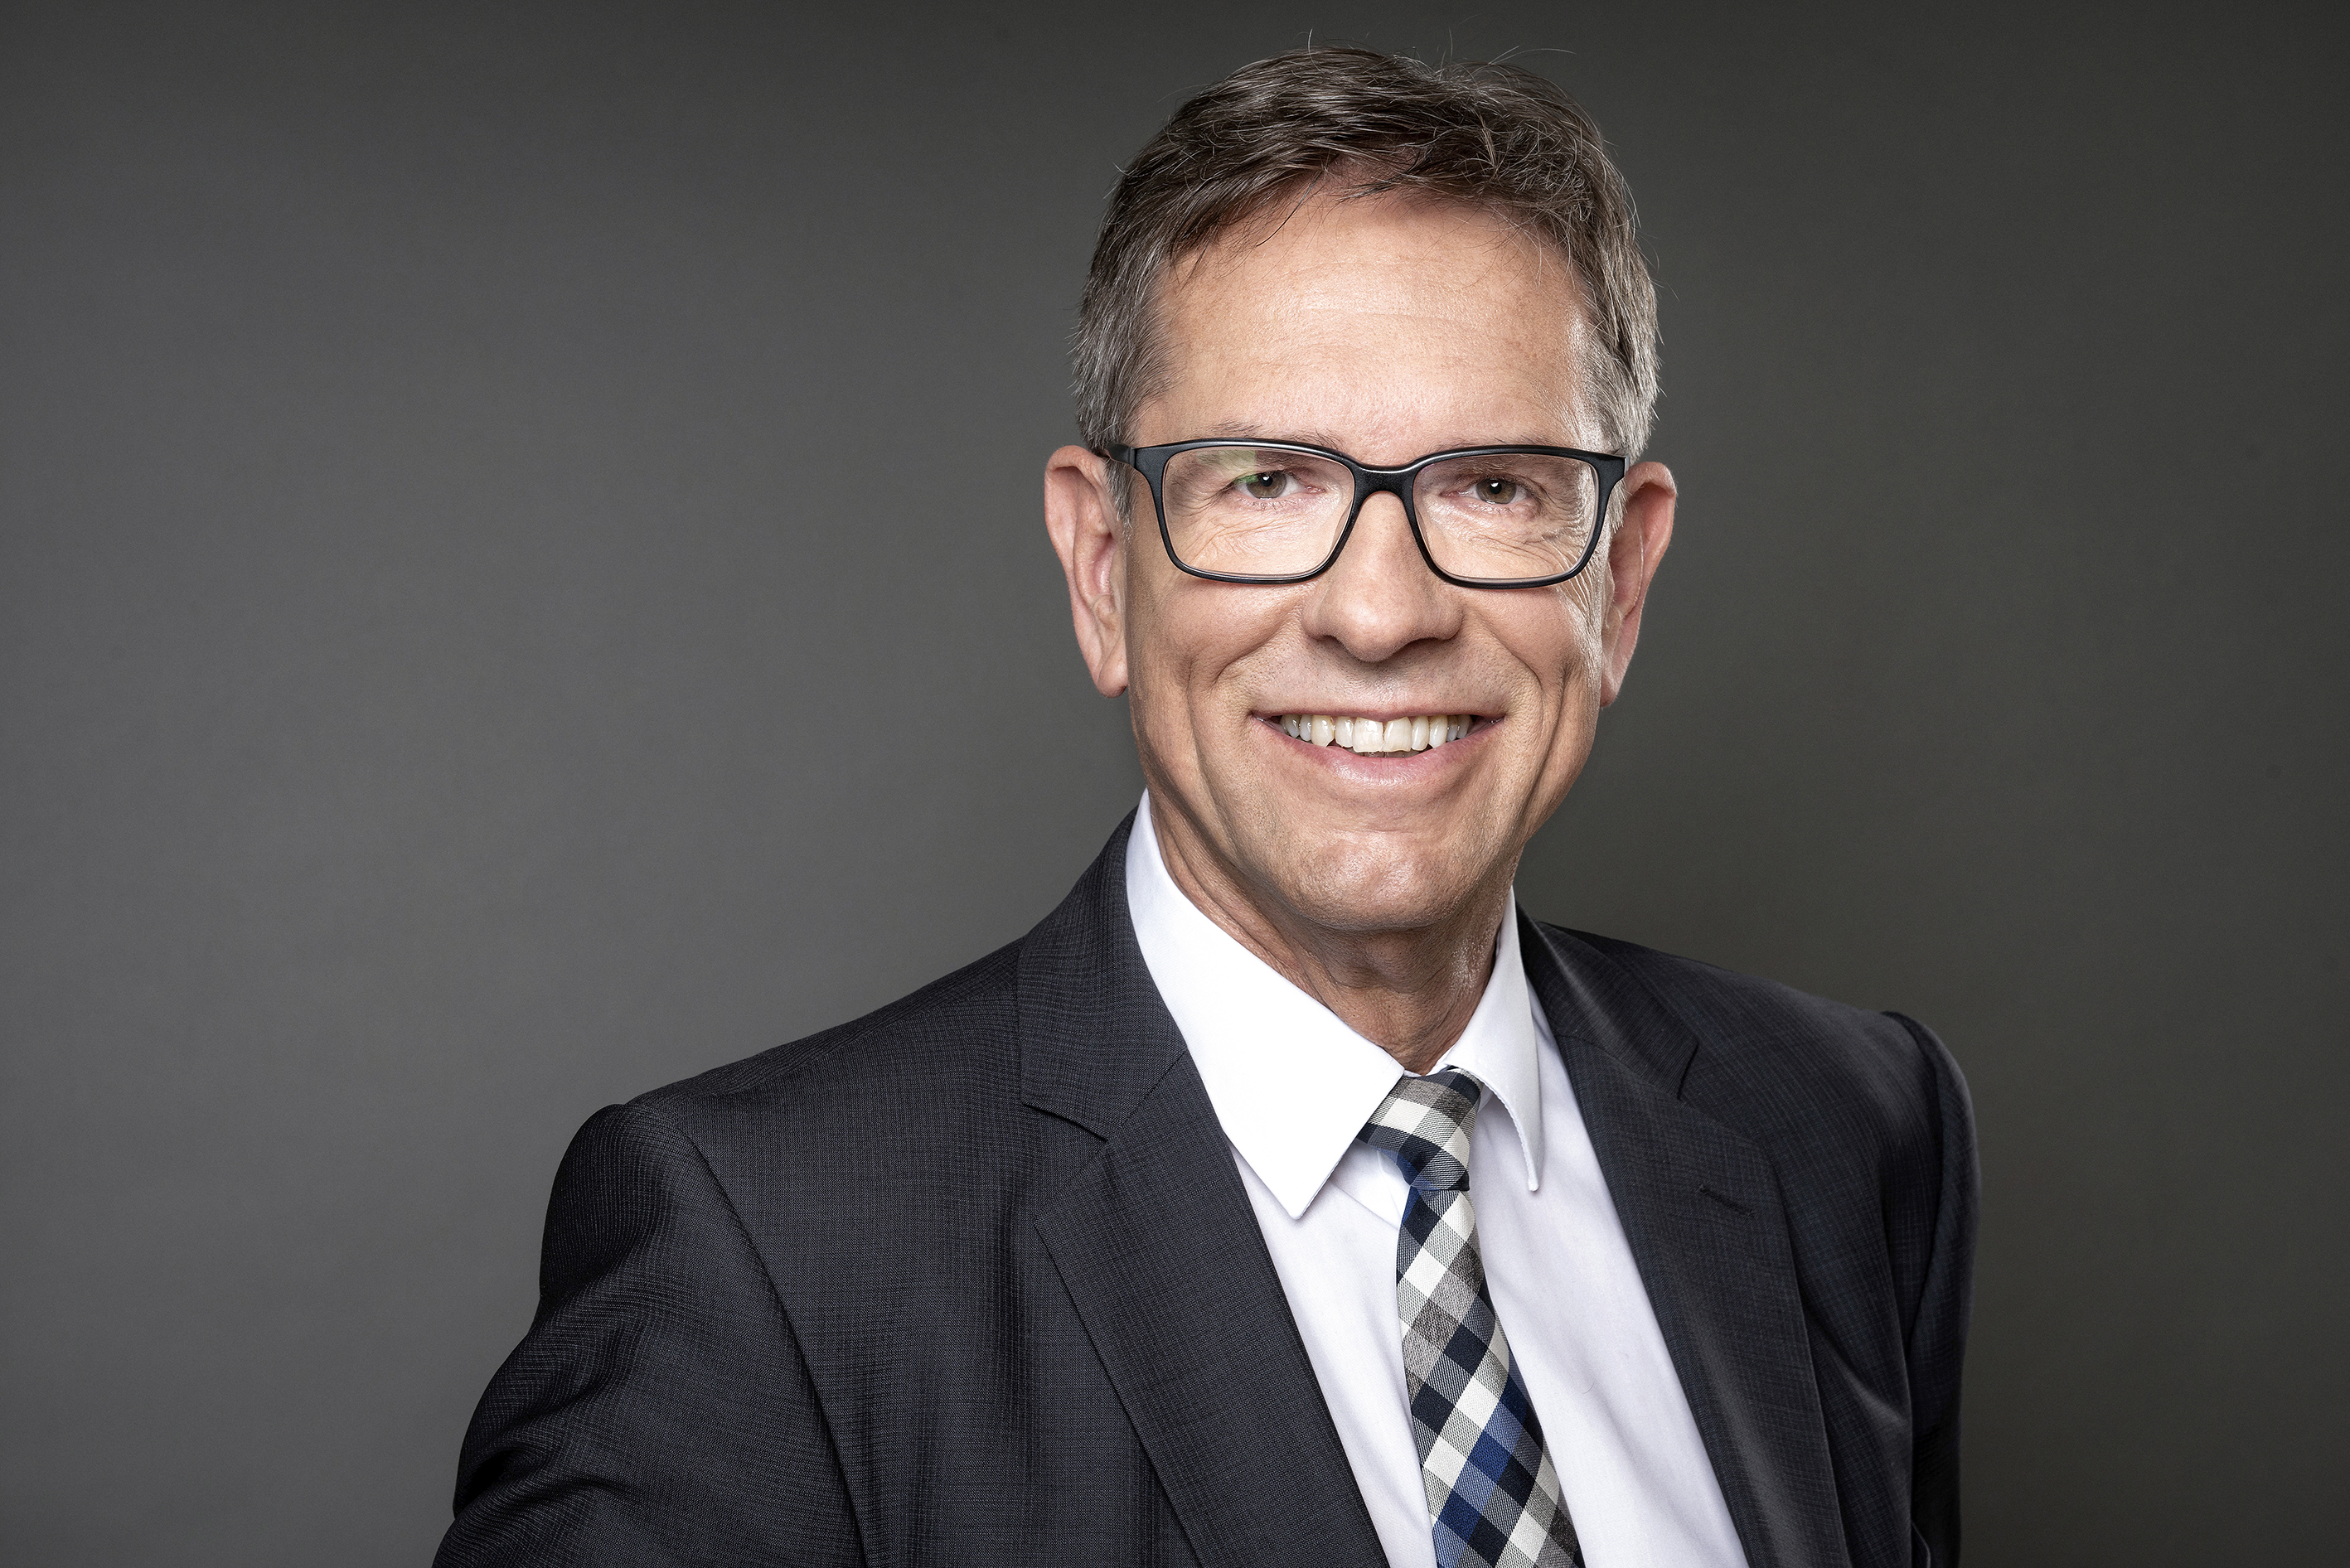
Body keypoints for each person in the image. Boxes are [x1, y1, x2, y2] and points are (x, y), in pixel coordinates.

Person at [437, 46, 1974, 1568]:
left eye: (1495, 487)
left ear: (1620, 581)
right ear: (1104, 569)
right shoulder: (760, 1256)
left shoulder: (1847, 1130)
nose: (1381, 613)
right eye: (1265, 483)